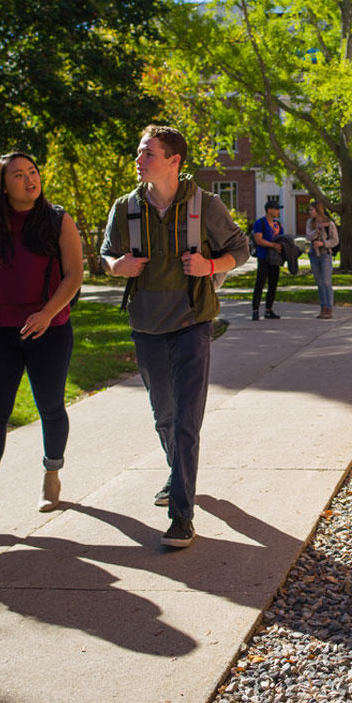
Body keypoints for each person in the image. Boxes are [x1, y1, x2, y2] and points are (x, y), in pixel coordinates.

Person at [100, 125, 248, 549]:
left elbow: (241, 249)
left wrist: (211, 265)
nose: (139, 159)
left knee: (186, 419)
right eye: (139, 152)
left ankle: (181, 514)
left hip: (192, 323)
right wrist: (116, 267)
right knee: (163, 415)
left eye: (148, 153)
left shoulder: (206, 205)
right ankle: (177, 473)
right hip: (146, 325)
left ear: (174, 160)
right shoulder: (125, 207)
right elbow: (106, 254)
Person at [0, 152, 84, 531]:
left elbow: (74, 275)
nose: (30, 180)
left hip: (50, 330)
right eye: (19, 175)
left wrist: (46, 313)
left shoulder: (58, 220)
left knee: (50, 405)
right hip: (0, 332)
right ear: (2, 184)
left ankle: (52, 472)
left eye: (33, 172)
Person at [304, 201, 339, 320]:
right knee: (319, 283)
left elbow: (335, 241)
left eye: (311, 210)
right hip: (313, 255)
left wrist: (323, 243)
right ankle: (323, 308)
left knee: (326, 282)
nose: (309, 212)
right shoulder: (310, 223)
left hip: (325, 255)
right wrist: (317, 231)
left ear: (318, 210)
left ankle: (329, 308)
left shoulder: (329, 224)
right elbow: (308, 236)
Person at [251, 197, 284, 320]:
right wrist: (273, 245)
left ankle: (268, 310)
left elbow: (281, 239)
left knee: (273, 285)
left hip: (275, 259)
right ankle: (255, 310)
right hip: (263, 257)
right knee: (260, 284)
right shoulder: (260, 223)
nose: (278, 212)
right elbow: (258, 240)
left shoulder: (278, 225)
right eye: (276, 209)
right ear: (269, 210)